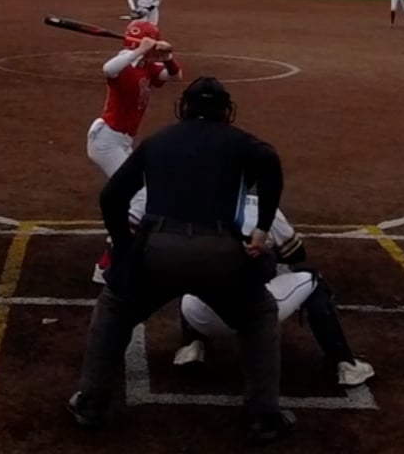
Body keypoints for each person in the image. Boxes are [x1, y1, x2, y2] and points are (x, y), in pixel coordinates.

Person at [66, 76, 295, 444]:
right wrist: (262, 227)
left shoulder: (158, 141)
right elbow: (270, 163)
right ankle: (264, 417)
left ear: (184, 107)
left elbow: (111, 197)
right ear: (226, 110)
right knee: (259, 315)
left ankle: (91, 403)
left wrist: (124, 247)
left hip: (158, 248)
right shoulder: (243, 142)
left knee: (115, 307)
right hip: (219, 252)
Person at [166, 191, 376, 388]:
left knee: (192, 268)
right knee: (313, 280)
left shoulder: (198, 203)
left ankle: (191, 346)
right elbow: (296, 254)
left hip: (199, 314)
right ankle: (345, 364)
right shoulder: (264, 208)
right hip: (254, 314)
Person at [88, 20, 178, 284]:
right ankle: (108, 264)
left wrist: (167, 56)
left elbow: (174, 76)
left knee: (137, 194)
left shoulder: (146, 65)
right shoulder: (124, 62)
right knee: (141, 195)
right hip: (106, 140)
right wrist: (140, 50)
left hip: (122, 141)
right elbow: (108, 69)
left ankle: (123, 251)